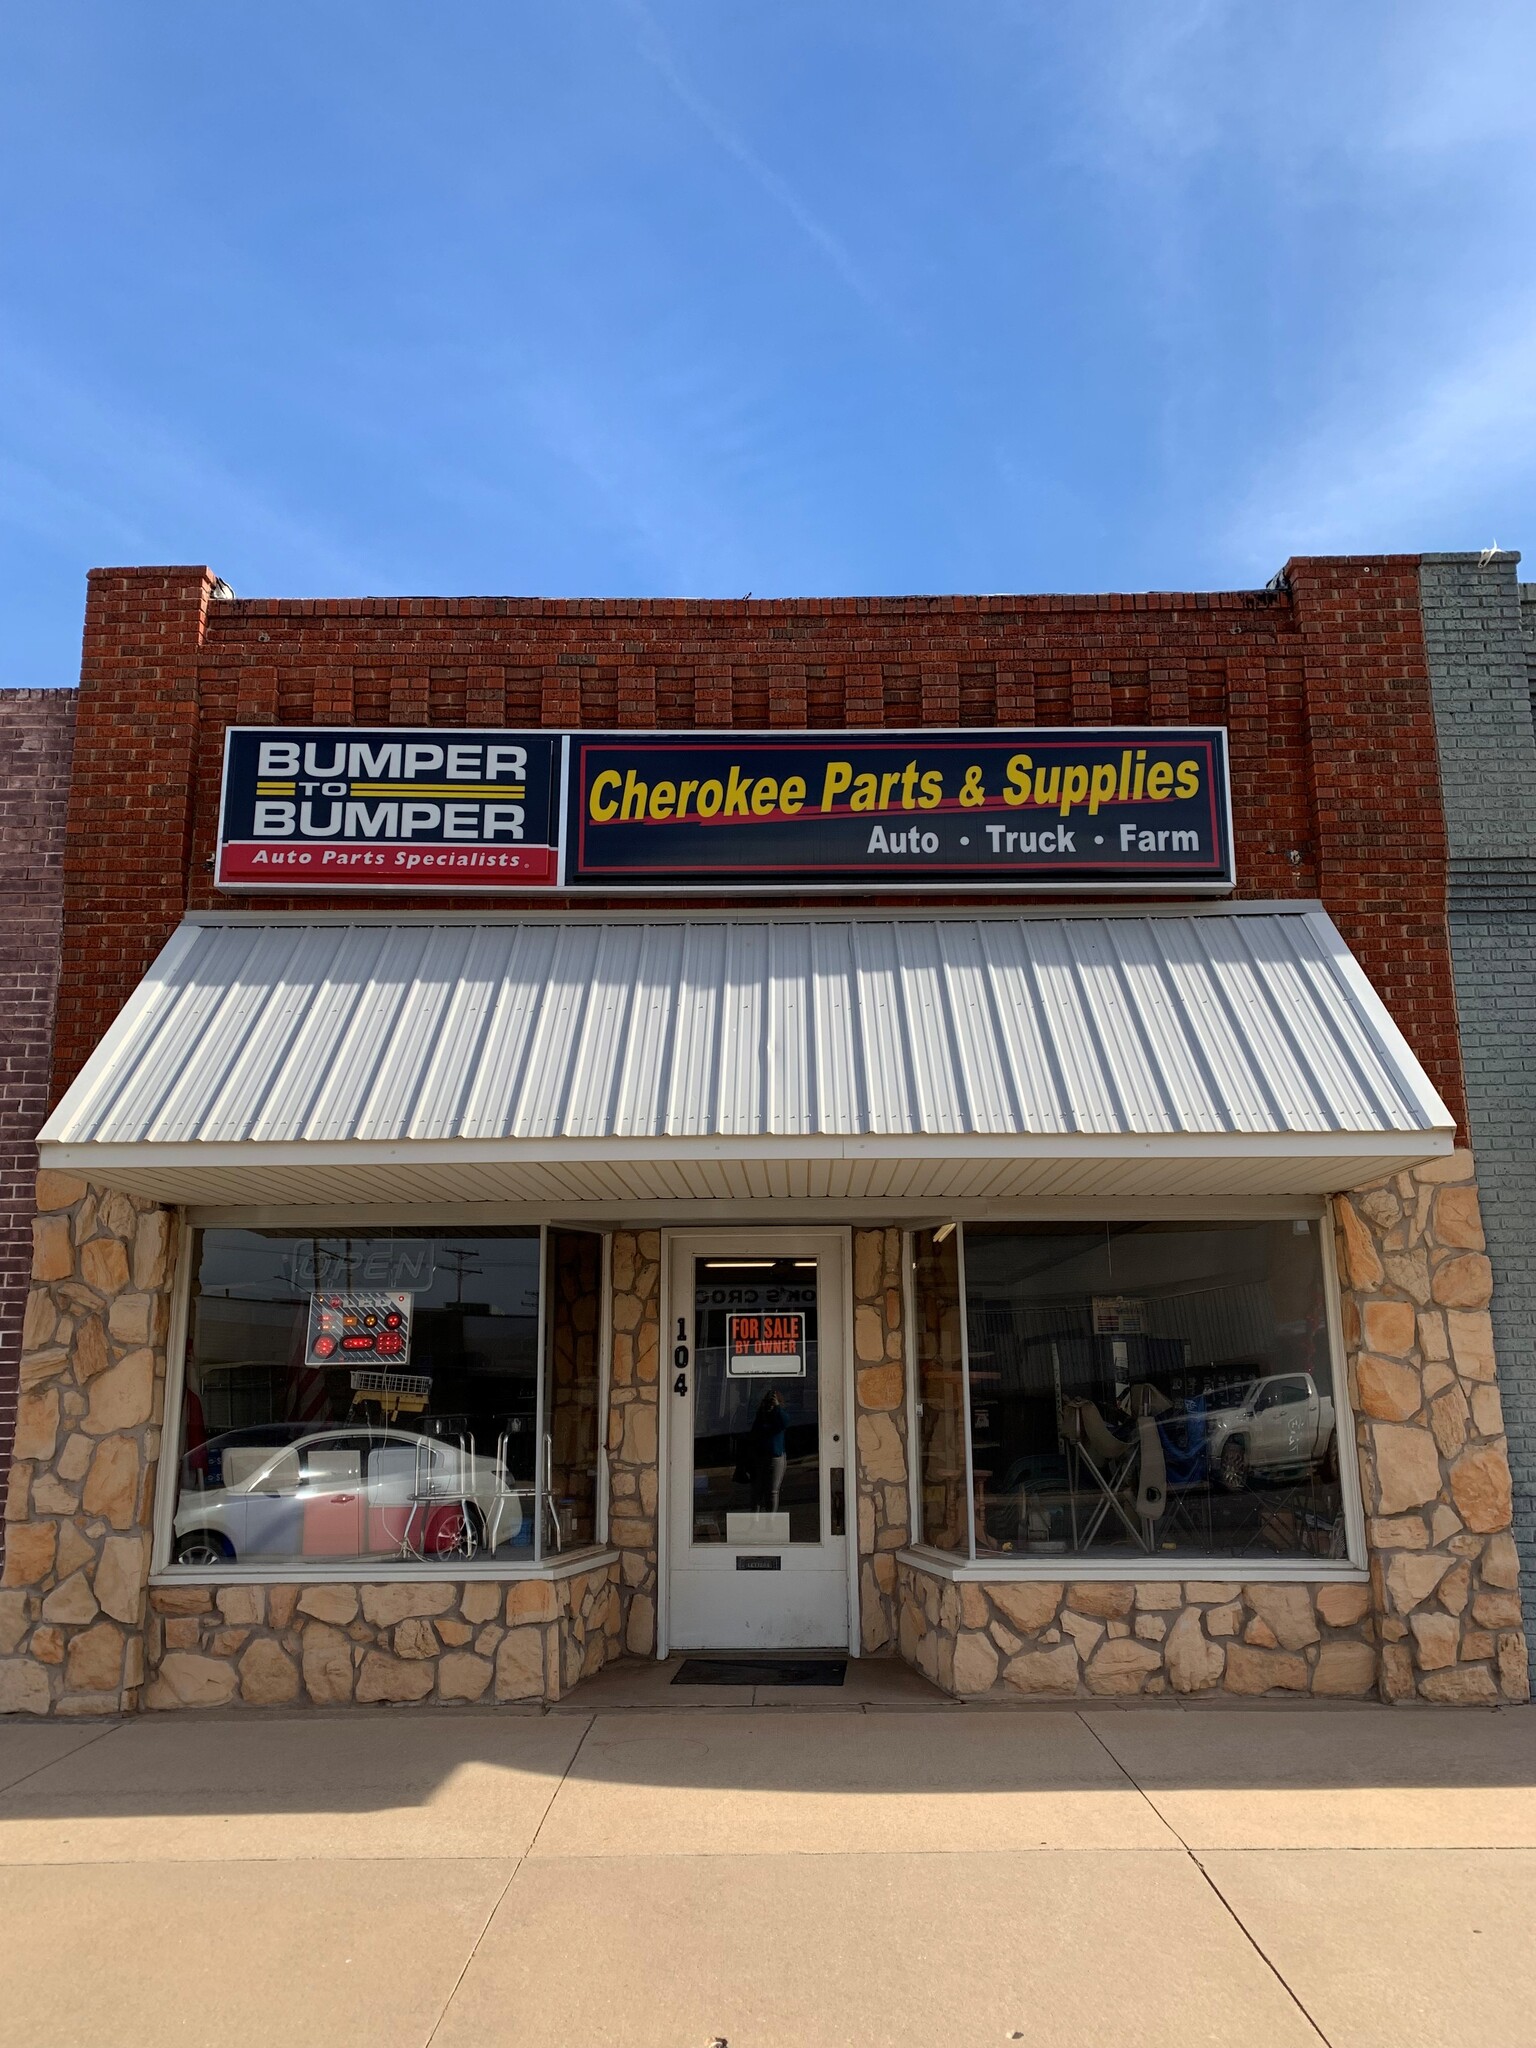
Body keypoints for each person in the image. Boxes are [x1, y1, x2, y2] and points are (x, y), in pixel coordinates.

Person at [748, 1387, 788, 1512]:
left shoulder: (779, 1415)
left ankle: (771, 1522)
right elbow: (753, 1434)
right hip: (760, 1457)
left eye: (772, 1401)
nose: (770, 1404)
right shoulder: (761, 1416)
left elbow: (784, 1422)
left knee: (772, 1491)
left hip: (775, 1457)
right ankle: (755, 1521)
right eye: (768, 1401)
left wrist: (777, 1407)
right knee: (757, 1491)